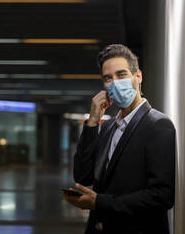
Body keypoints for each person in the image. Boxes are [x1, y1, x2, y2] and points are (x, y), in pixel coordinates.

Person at [63, 44, 176, 234]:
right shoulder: (107, 127)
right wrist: (92, 122)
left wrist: (100, 202)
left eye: (121, 75)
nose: (114, 82)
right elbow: (83, 176)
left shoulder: (158, 125)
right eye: (108, 78)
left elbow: (162, 196)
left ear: (137, 76)